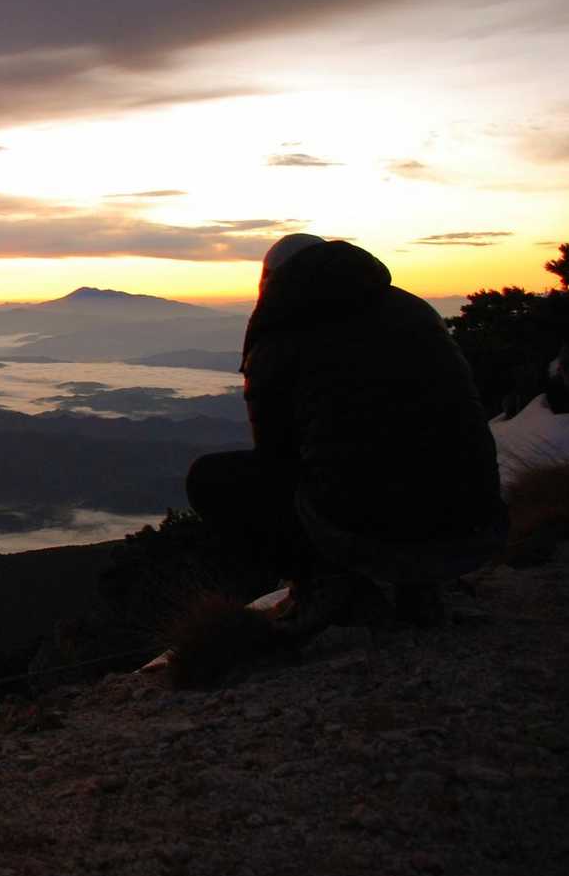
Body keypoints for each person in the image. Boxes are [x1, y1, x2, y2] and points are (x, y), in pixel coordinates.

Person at [186, 235, 503, 632]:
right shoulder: (415, 310)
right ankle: (421, 589)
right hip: (475, 525)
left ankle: (324, 585)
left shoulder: (282, 332)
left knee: (211, 479)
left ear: (271, 280)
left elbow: (276, 455)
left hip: (371, 533)